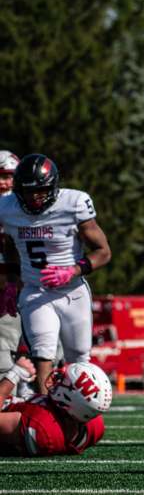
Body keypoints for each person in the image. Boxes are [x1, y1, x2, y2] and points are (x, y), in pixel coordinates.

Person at [0, 154, 112, 393]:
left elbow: (103, 252)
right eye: (27, 192)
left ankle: (81, 417)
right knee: (42, 353)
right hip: (35, 291)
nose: (33, 198)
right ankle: (47, 414)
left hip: (72, 291)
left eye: (39, 191)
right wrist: (12, 282)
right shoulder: (7, 208)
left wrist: (73, 270)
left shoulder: (74, 204)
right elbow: (9, 244)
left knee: (79, 360)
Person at [0, 358, 111, 456]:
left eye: (64, 380)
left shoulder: (42, 425)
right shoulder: (90, 425)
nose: (58, 377)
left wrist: (13, 376)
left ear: (68, 398)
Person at [0, 151, 22, 385]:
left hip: (29, 286)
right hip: (6, 287)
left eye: (7, 176)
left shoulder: (25, 208)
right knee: (4, 355)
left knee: (43, 351)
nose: (2, 182)